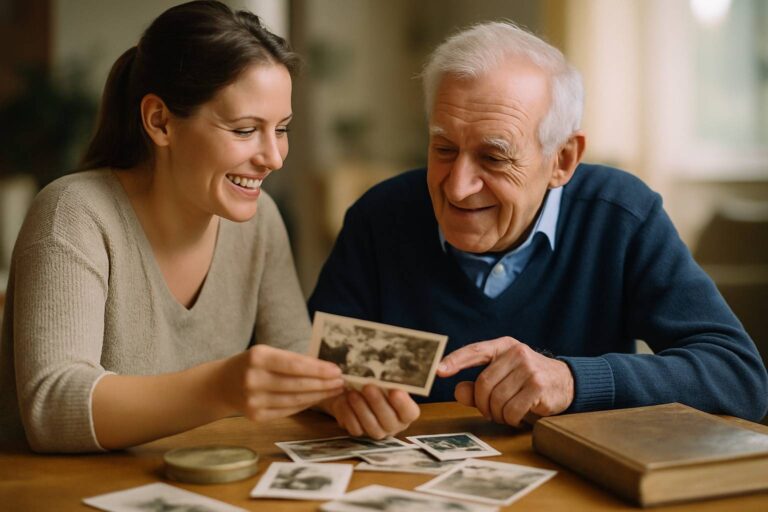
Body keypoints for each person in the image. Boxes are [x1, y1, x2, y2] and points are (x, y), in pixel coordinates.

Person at [308, 21, 768, 427]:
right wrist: (334, 396)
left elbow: (739, 376)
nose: (458, 187)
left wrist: (572, 379)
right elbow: (310, 368)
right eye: (444, 149)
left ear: (562, 160)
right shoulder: (378, 216)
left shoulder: (621, 216)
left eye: (493, 156)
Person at [0, 0, 362, 454]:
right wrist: (221, 388)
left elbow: (292, 354)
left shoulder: (260, 220)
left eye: (281, 128)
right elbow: (52, 408)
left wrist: (344, 393)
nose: (273, 157)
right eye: (246, 130)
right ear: (160, 121)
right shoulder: (73, 214)